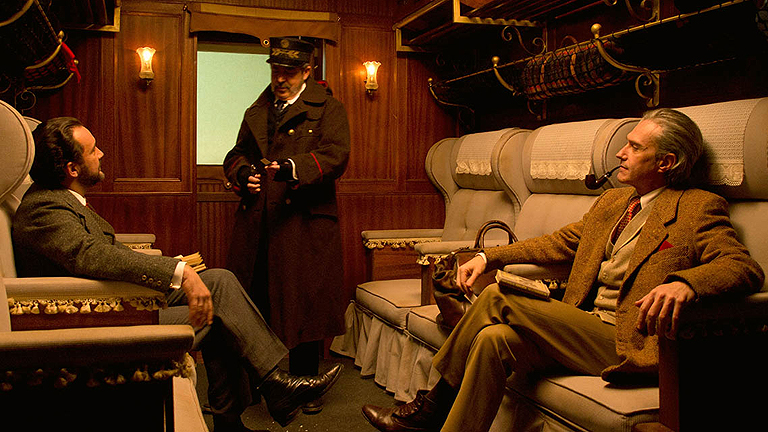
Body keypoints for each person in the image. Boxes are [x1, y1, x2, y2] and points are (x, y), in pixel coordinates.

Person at [361, 108, 765, 432]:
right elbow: (557, 242)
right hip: (584, 325)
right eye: (625, 143)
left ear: (666, 161)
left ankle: (429, 408)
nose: (620, 153)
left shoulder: (697, 207)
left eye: (634, 147)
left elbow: (741, 267)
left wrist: (685, 283)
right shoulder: (614, 202)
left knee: (497, 296)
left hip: (631, 340)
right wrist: (488, 257)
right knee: (492, 339)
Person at [12, 117, 344, 432]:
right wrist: (178, 271)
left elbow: (99, 253)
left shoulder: (61, 199)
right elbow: (90, 255)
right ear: (72, 169)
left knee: (220, 280)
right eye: (93, 150)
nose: (101, 154)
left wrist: (174, 266)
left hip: (115, 299)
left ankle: (270, 386)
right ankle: (262, 396)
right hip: (97, 318)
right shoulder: (45, 208)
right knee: (219, 316)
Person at [223, 37, 350, 413]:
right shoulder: (257, 109)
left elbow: (337, 155)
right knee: (254, 302)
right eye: (276, 70)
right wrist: (243, 174)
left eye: (289, 72)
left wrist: (294, 168)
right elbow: (237, 154)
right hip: (259, 221)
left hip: (303, 222)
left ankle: (306, 387)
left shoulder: (329, 109)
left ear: (307, 71)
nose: (280, 79)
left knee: (303, 305)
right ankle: (259, 383)